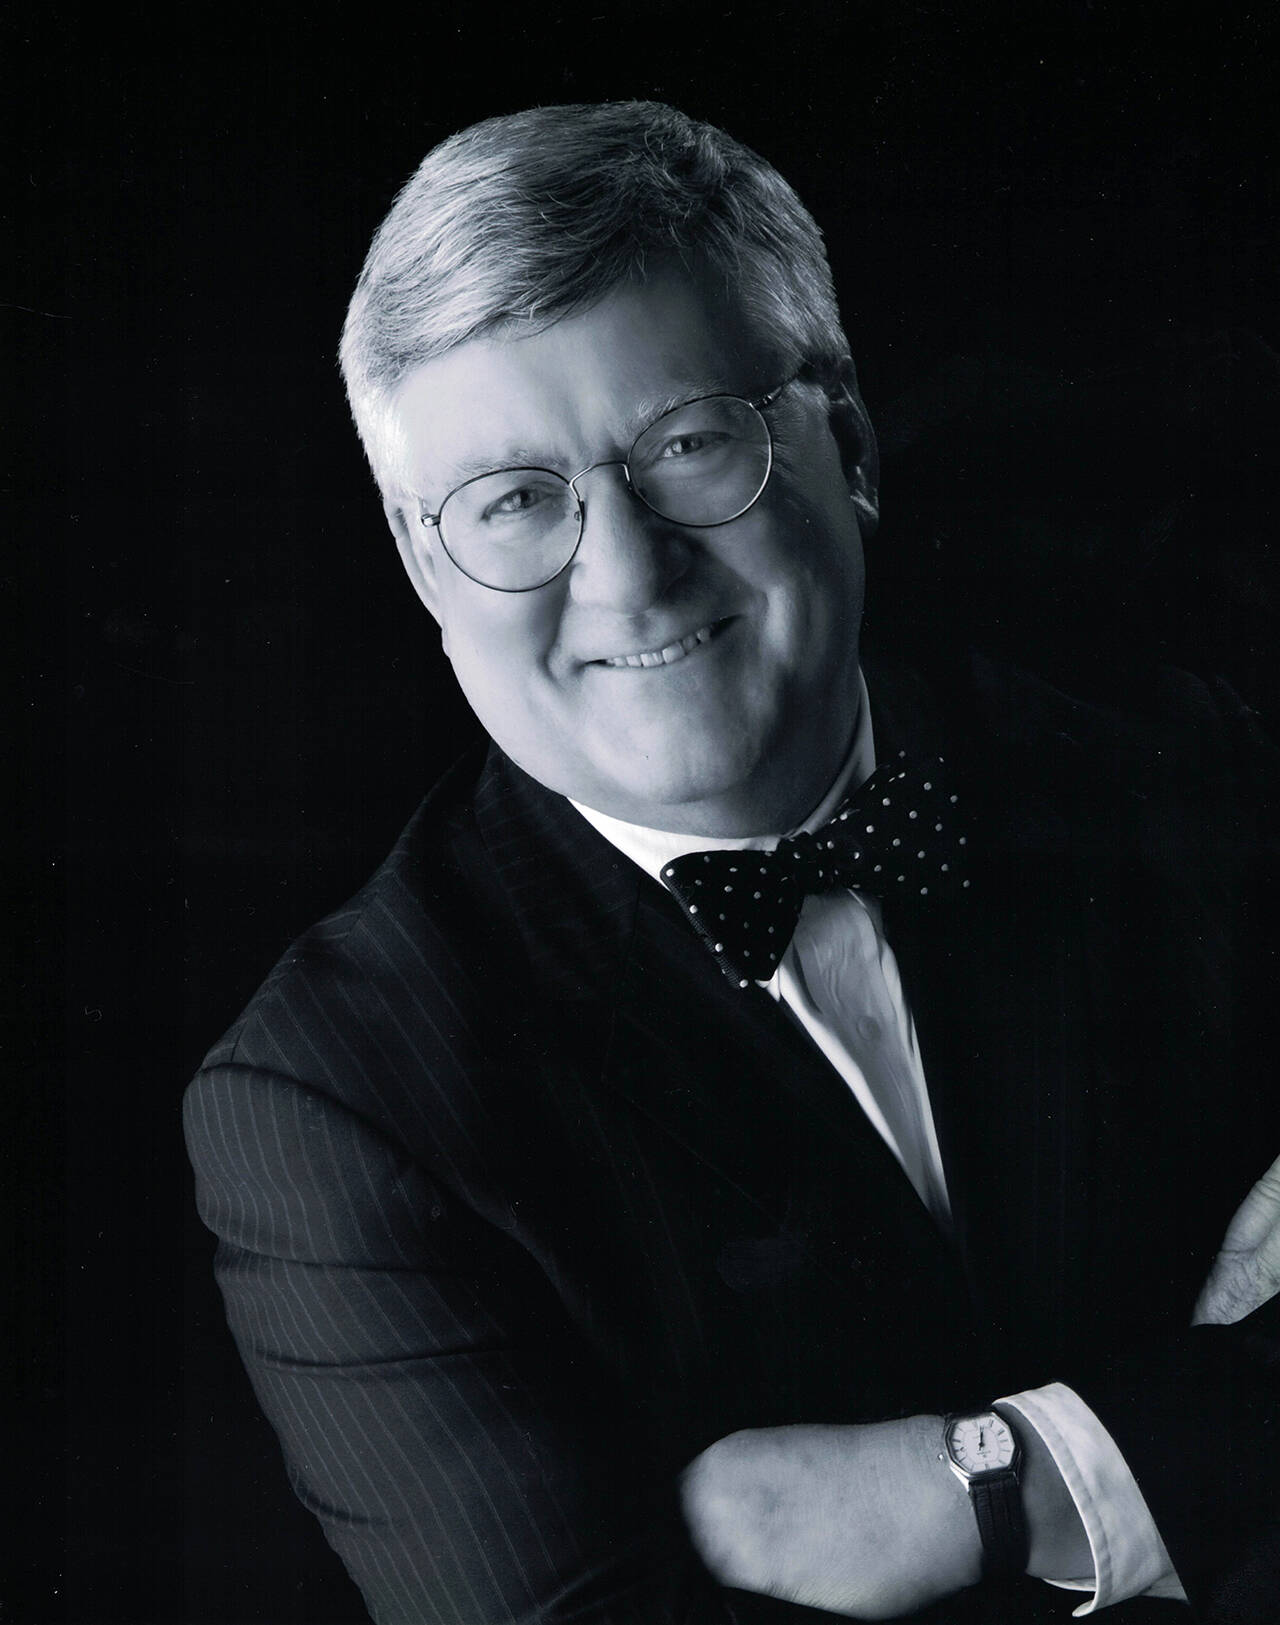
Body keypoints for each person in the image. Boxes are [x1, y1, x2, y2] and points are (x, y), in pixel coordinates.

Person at [184, 102, 1280, 1624]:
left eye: (690, 443)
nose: (628, 572)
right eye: (515, 502)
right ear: (424, 563)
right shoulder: (336, 1102)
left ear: (850, 446)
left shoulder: (1198, 782)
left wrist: (1006, 1483)